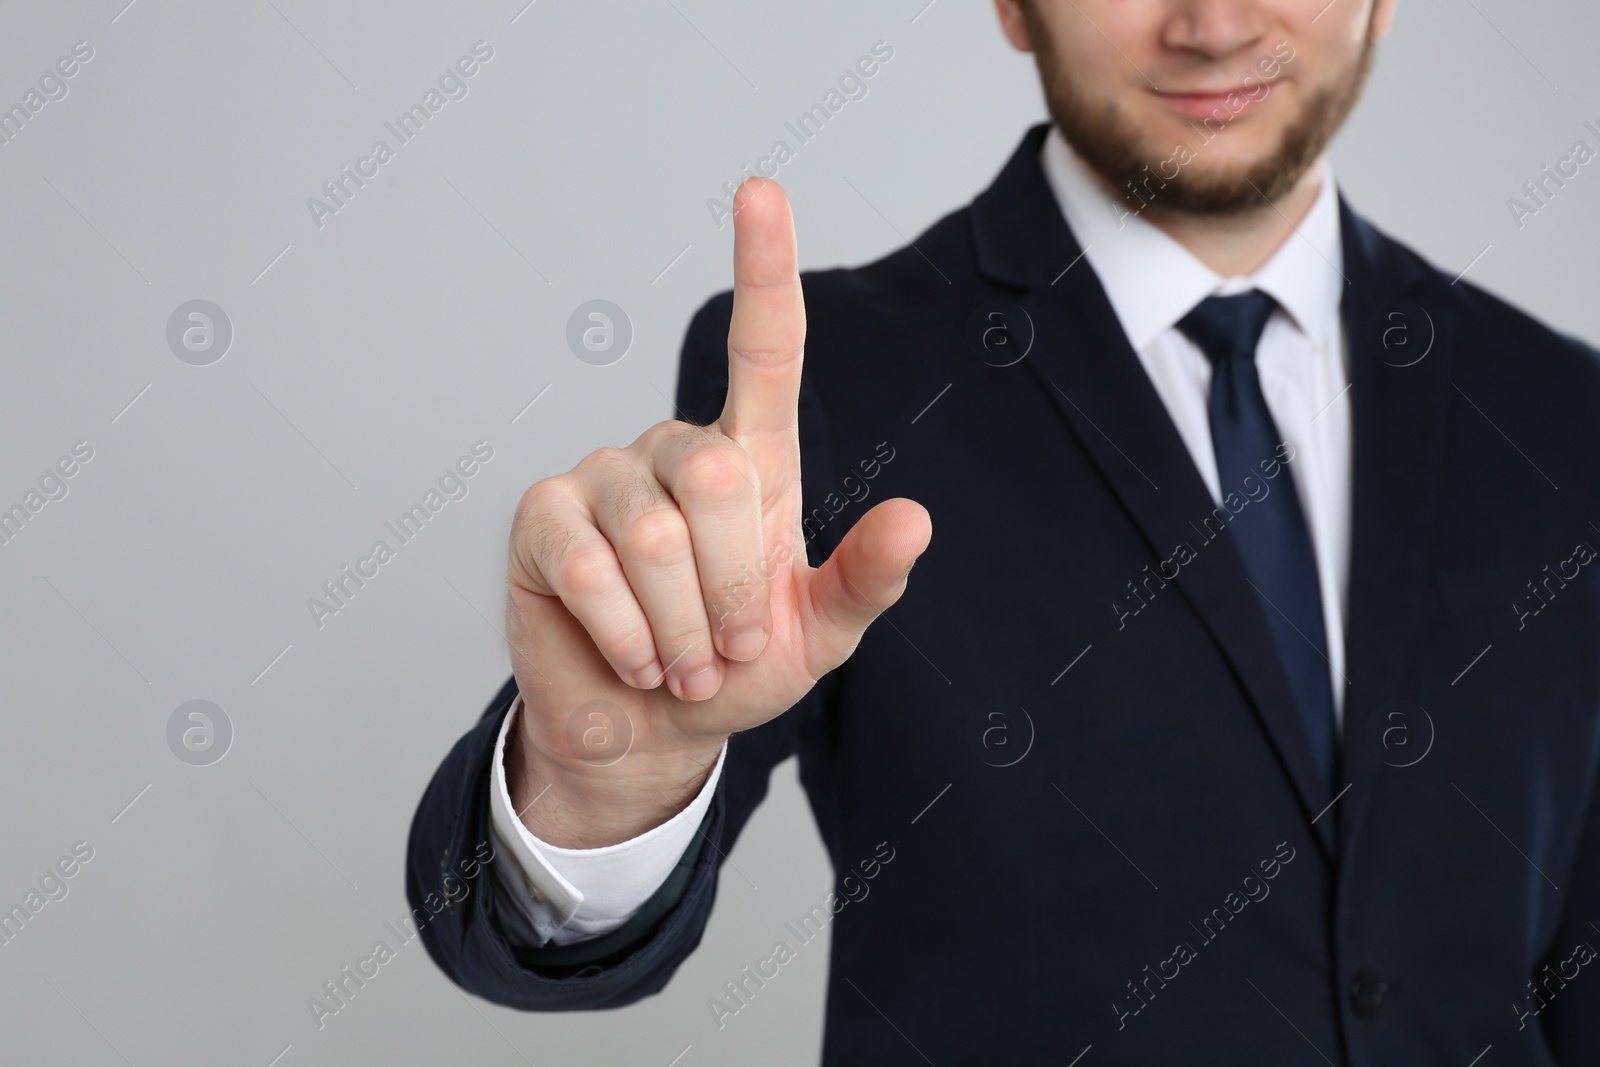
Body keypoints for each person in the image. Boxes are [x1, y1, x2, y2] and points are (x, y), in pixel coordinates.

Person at [408, 0, 1600, 1061]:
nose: (1216, 23)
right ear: (1013, 5)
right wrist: (607, 776)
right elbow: (530, 923)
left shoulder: (1561, 413)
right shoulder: (835, 381)